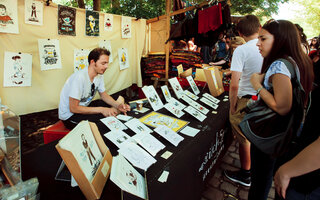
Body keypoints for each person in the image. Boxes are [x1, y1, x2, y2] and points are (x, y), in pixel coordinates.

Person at [248, 19, 314, 200]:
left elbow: (282, 106)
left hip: (272, 132)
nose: (257, 43)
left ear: (280, 39)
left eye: (263, 39)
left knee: (260, 180)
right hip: (289, 132)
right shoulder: (300, 60)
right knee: (267, 175)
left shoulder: (280, 65)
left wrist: (257, 85)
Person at [224, 15, 263, 187]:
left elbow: (234, 84)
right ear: (259, 28)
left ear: (240, 32)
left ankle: (246, 174)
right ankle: (255, 169)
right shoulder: (269, 47)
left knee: (244, 137)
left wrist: (232, 106)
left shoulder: (241, 50)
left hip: (247, 99)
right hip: (263, 98)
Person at [59, 48, 130, 130]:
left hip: (84, 106)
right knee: (105, 120)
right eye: (103, 63)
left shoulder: (99, 75)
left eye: (107, 63)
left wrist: (118, 105)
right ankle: (112, 115)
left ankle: (113, 112)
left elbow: (103, 95)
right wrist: (102, 110)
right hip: (71, 117)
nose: (106, 66)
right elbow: (73, 108)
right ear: (93, 62)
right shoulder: (79, 78)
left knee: (119, 98)